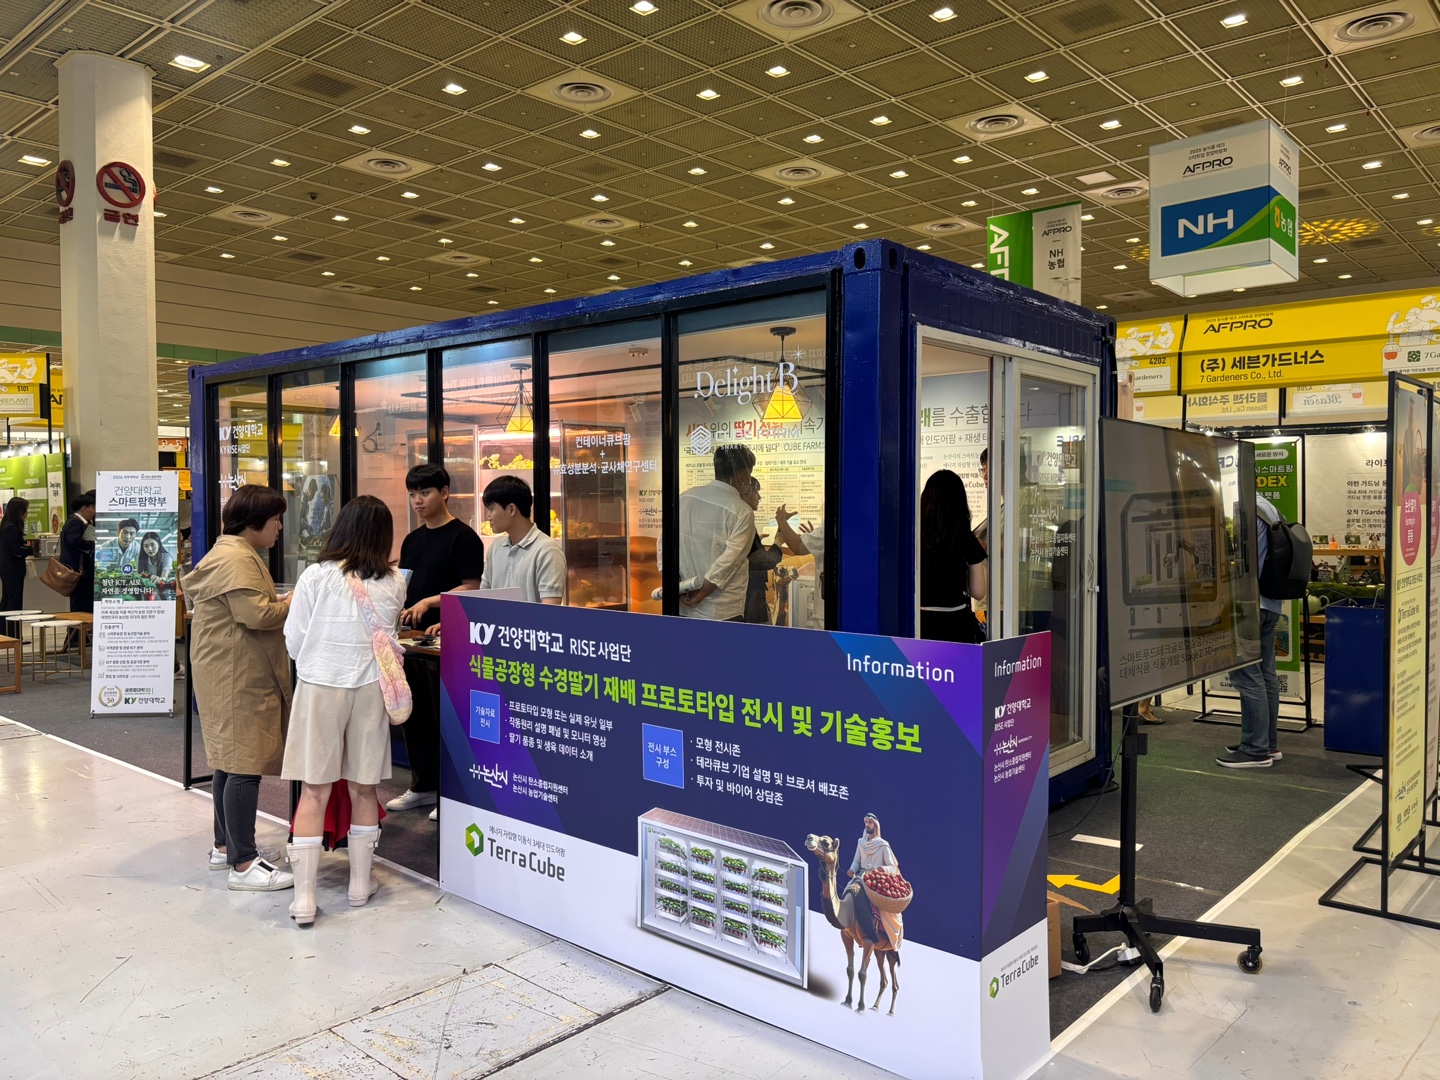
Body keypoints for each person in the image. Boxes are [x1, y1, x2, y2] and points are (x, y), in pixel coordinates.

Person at [282, 495, 407, 926]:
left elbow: (294, 639)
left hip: (320, 685)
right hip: (371, 689)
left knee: (314, 790)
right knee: (364, 788)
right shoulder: (395, 581)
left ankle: (304, 900)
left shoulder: (316, 576)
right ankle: (359, 885)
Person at [185, 484, 294, 892]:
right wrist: (294, 601)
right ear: (253, 523)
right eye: (275, 520)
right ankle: (244, 863)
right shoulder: (237, 558)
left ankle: (224, 847)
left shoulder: (231, 552)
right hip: (237, 675)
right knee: (244, 764)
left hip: (228, 670)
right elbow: (258, 615)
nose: (279, 527)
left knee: (229, 761)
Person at [385, 463, 484, 817]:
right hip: (411, 641)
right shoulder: (412, 539)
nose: (417, 500)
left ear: (444, 493)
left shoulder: (464, 537)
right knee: (414, 716)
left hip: (447, 642)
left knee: (446, 718)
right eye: (412, 494)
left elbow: (472, 587)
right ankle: (423, 785)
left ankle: (450, 792)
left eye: (424, 493)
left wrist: (429, 602)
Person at [1218, 496, 1283, 769]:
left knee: (1246, 675)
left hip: (1247, 604)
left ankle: (1255, 750)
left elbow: (1238, 562)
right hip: (1270, 604)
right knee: (1266, 675)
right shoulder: (1268, 507)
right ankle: (1267, 743)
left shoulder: (1243, 509)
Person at [676, 445, 756, 621]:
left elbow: (663, 543)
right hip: (722, 610)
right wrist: (702, 592)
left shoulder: (684, 498)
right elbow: (730, 560)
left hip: (683, 604)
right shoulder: (742, 511)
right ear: (742, 476)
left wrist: (678, 586)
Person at [918, 469, 987, 644]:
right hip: (956, 625)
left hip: (920, 623)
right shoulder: (967, 540)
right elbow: (978, 592)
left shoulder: (915, 537)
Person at [479, 475, 565, 605]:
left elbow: (550, 609)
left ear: (511, 509)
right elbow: (483, 598)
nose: (488, 516)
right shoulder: (495, 546)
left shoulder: (547, 550)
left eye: (491, 509)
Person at [846, 813, 903, 949]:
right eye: (866, 822)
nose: (867, 825)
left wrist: (883, 869)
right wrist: (852, 869)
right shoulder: (861, 843)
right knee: (849, 891)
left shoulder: (883, 845)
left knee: (879, 904)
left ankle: (871, 932)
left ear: (876, 826)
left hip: (875, 879)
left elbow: (892, 866)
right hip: (861, 876)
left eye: (870, 822)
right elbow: (857, 861)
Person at [739, 477, 782, 625]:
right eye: (756, 492)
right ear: (743, 494)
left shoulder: (737, 519)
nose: (759, 497)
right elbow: (765, 561)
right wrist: (779, 541)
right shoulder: (744, 519)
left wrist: (757, 543)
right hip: (749, 596)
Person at [60, 490, 96, 614]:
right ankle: (78, 625)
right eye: (92, 508)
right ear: (84, 508)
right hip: (77, 569)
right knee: (80, 602)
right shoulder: (75, 522)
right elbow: (74, 541)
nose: (94, 511)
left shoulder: (82, 523)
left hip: (82, 569)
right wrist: (92, 543)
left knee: (84, 600)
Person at [0, 497, 32, 612]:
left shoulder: (6, 525)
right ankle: (12, 623)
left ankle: (5, 623)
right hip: (13, 569)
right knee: (14, 600)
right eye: (25, 511)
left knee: (7, 598)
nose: (26, 514)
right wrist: (31, 549)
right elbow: (17, 550)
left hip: (7, 568)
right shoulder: (12, 528)